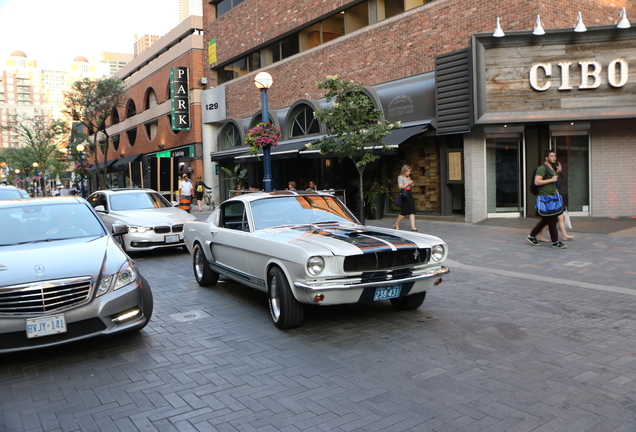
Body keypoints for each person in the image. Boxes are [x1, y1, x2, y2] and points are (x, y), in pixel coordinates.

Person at [527, 150, 567, 248]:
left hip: (552, 197)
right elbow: (537, 182)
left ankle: (532, 236)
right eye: (551, 156)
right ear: (546, 157)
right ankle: (555, 242)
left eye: (555, 156)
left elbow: (554, 180)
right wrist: (552, 179)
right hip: (546, 198)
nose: (554, 158)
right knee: (553, 219)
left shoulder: (551, 168)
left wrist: (557, 173)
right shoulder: (542, 168)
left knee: (547, 219)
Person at [536, 161, 574, 242]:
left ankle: (564, 235)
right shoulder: (553, 176)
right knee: (547, 219)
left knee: (559, 217)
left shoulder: (556, 176)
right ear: (557, 167)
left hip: (556, 199)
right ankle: (540, 236)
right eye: (560, 166)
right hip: (551, 200)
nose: (561, 167)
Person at [394, 165, 418, 231]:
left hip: (409, 193)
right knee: (404, 212)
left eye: (409, 171)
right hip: (404, 195)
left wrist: (412, 184)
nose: (409, 173)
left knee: (412, 211)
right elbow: (401, 187)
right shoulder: (400, 177)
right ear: (404, 171)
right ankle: (397, 224)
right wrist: (408, 183)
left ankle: (413, 227)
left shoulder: (408, 177)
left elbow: (409, 187)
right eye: (407, 171)